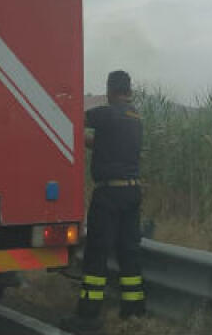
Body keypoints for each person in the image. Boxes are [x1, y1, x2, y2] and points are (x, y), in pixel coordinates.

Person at [64, 70, 145, 333]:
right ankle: (133, 311)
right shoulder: (135, 117)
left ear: (110, 89)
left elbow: (74, 118)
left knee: (97, 252)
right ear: (128, 89)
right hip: (132, 193)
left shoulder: (107, 113)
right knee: (128, 251)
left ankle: (88, 316)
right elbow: (105, 144)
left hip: (109, 194)